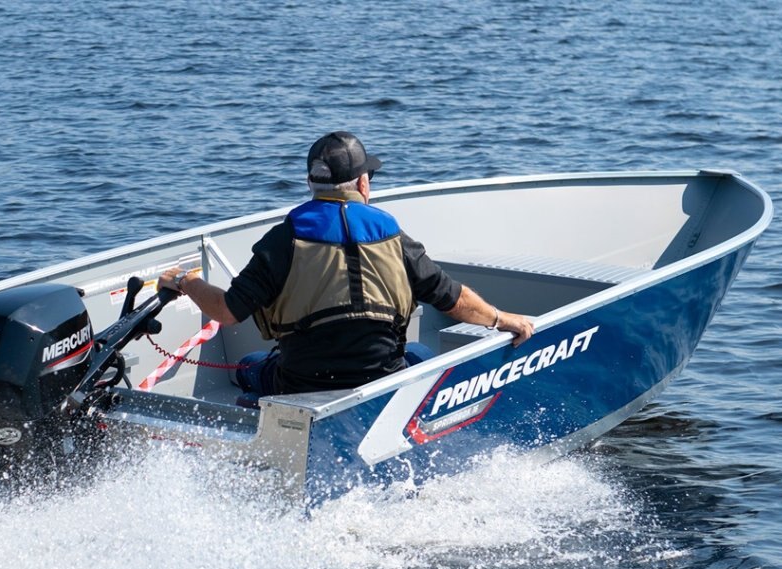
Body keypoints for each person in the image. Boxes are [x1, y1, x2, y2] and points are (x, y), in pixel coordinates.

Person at [158, 131, 533, 398]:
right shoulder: (393, 237)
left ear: (311, 184)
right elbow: (454, 300)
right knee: (420, 355)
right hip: (380, 378)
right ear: (363, 183)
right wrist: (503, 320)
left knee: (249, 365)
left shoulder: (283, 239)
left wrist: (186, 280)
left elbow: (226, 311)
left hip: (302, 383)